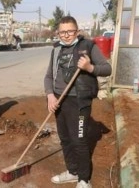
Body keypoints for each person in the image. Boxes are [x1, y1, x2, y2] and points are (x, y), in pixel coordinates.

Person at [44, 16, 112, 188]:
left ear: (77, 31)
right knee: (65, 138)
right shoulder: (56, 50)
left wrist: (90, 68)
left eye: (70, 31)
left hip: (80, 102)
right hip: (60, 101)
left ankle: (84, 179)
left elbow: (107, 68)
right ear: (58, 33)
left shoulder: (88, 47)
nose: (66, 35)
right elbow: (48, 77)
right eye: (62, 32)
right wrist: (50, 96)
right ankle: (72, 172)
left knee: (79, 140)